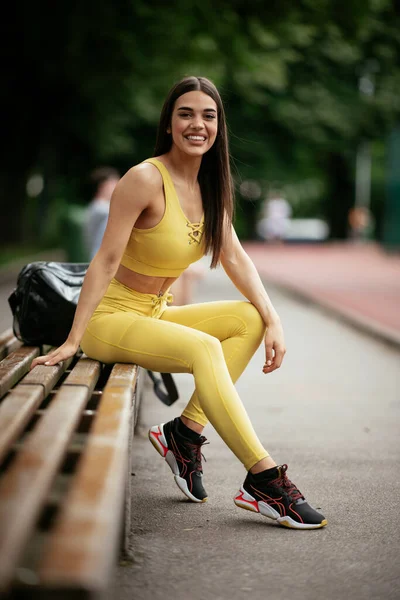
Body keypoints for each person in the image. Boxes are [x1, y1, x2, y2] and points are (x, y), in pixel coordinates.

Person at [31, 76, 327, 529]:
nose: (197, 124)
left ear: (218, 127)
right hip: (108, 319)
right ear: (169, 124)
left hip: (153, 312)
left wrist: (273, 318)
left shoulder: (212, 186)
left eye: (208, 116)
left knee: (247, 318)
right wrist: (74, 339)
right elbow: (105, 260)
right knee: (205, 348)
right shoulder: (145, 179)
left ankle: (184, 434)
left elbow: (235, 256)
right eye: (185, 114)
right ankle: (264, 479)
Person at [83, 166, 120, 259]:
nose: (119, 187)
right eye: (114, 183)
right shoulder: (102, 210)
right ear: (103, 186)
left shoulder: (96, 207)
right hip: (100, 260)